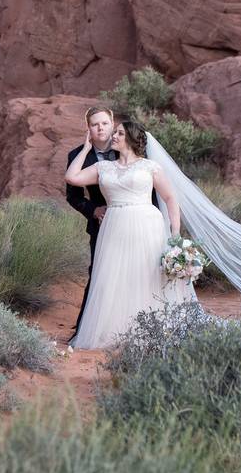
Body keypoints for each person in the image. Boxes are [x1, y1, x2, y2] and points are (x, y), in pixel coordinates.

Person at [65, 120, 195, 349]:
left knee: (146, 276)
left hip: (147, 225)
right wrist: (86, 148)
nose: (113, 136)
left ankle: (153, 330)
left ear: (132, 139)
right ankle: (118, 332)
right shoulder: (103, 168)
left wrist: (175, 236)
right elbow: (72, 178)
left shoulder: (149, 167)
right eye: (114, 132)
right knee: (113, 278)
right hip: (114, 227)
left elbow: (171, 198)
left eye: (119, 133)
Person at [64, 106, 116, 342]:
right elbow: (73, 197)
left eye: (104, 123)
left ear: (112, 123)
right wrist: (93, 210)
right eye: (95, 124)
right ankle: (85, 330)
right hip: (101, 224)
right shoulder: (77, 155)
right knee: (98, 273)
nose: (100, 128)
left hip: (136, 221)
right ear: (88, 128)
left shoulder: (129, 148)